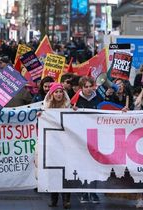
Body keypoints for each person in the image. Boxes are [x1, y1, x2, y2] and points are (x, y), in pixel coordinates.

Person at [42, 83, 72, 209]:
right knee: (53, 171)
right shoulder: (46, 109)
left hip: (66, 144)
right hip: (52, 144)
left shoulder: (69, 107)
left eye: (61, 92)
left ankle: (66, 199)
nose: (59, 94)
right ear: (52, 94)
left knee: (67, 172)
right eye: (56, 92)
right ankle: (54, 197)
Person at [73, 76, 100, 204]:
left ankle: (93, 192)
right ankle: (84, 192)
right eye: (86, 87)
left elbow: (108, 108)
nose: (89, 89)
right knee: (83, 165)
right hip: (81, 137)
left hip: (96, 136)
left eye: (91, 86)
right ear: (81, 88)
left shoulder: (98, 97)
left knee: (94, 165)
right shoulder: (76, 100)